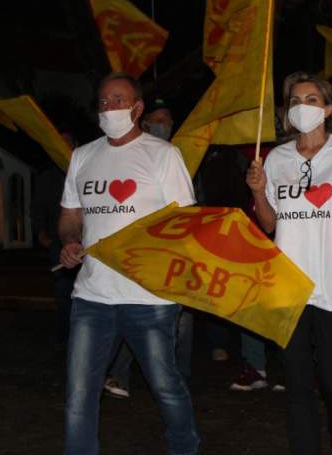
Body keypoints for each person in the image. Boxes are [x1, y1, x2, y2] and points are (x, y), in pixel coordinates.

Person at [58, 72, 200, 454]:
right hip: (92, 296)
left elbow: (184, 226)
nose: (109, 108)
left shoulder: (164, 155)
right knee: (79, 395)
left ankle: (185, 448)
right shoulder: (82, 157)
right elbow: (71, 216)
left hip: (149, 298)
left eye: (118, 101)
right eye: (103, 102)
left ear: (137, 108)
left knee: (166, 386)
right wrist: (70, 242)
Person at [245, 71, 332, 454]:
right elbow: (271, 223)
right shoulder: (277, 158)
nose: (302, 107)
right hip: (289, 287)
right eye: (295, 101)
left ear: (327, 108)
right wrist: (258, 193)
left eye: (311, 100)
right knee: (297, 383)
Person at [104, 96, 194, 399]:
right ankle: (119, 375)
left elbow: (189, 212)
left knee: (180, 323)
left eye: (167, 120)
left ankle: (176, 380)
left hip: (169, 256)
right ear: (144, 120)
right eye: (157, 119)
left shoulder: (173, 155)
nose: (163, 125)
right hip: (131, 256)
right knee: (130, 316)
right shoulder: (127, 158)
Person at [32, 129, 77, 345]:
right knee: (63, 289)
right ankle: (67, 336)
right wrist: (40, 231)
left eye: (66, 142)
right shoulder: (48, 177)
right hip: (57, 240)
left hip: (84, 240)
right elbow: (38, 207)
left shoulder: (83, 170)